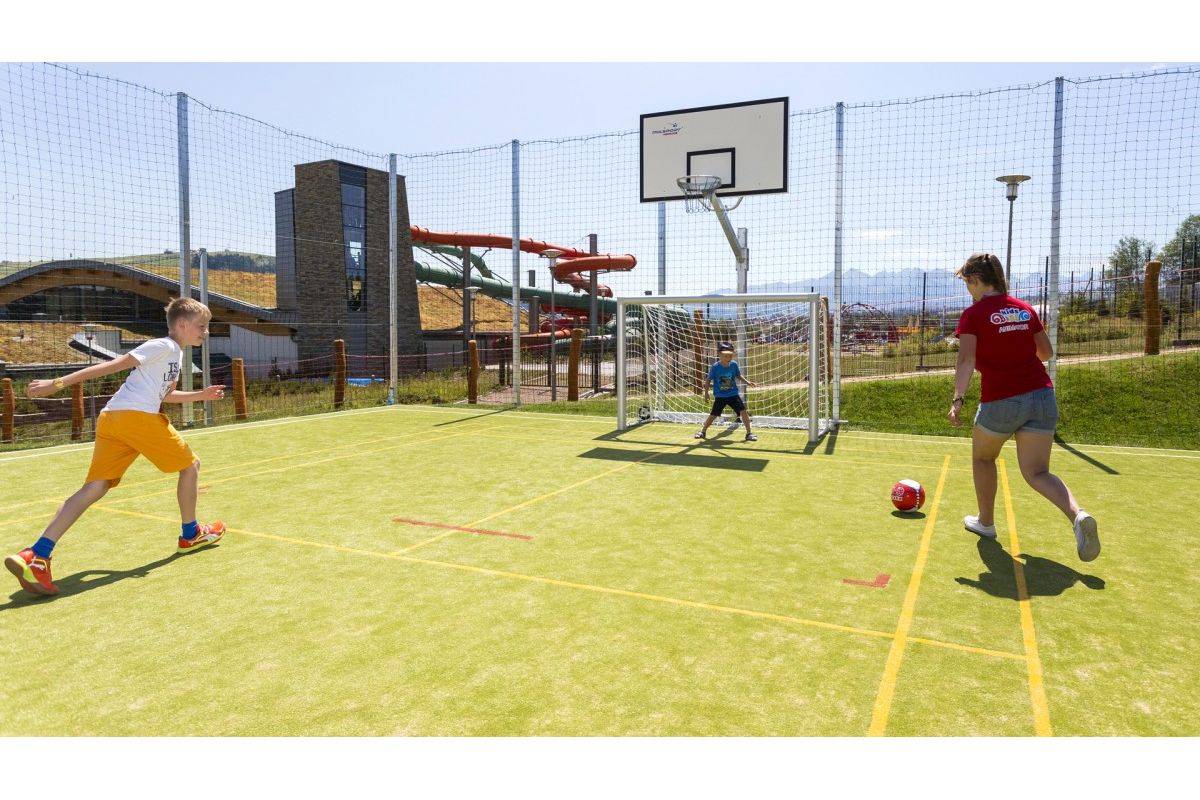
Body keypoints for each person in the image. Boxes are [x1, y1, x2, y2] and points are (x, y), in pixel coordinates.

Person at [5, 298, 228, 596]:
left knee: (95, 486)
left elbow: (164, 395)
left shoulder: (174, 355)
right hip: (136, 419)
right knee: (191, 466)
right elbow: (113, 365)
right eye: (202, 326)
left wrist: (202, 394)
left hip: (113, 419)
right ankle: (191, 534)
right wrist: (56, 384)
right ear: (183, 324)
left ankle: (37, 554)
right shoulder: (163, 346)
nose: (206, 332)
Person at [949, 252, 1099, 562]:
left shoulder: (973, 315)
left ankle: (986, 523)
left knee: (983, 458)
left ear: (975, 280)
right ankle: (1078, 516)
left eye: (967, 283)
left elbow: (966, 360)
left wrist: (958, 399)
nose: (968, 289)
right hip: (1042, 397)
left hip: (1001, 400)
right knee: (1037, 472)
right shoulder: (1024, 309)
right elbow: (1046, 353)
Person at [695, 342, 757, 442]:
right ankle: (703, 431)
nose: (728, 358)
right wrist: (706, 393)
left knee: (743, 412)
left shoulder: (734, 365)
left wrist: (748, 382)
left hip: (733, 395)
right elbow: (708, 380)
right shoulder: (715, 367)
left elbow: (738, 375)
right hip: (720, 396)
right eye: (726, 355)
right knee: (713, 415)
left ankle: (749, 433)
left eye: (730, 355)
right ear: (719, 354)